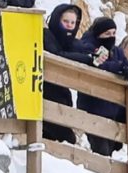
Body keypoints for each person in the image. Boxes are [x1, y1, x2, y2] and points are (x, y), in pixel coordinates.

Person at [77, 31, 128, 158]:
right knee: (102, 152)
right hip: (95, 111)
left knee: (108, 152)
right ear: (123, 48)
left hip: (113, 117)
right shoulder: (110, 57)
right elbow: (100, 65)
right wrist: (122, 68)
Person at [42, 4, 94, 144]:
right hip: (45, 93)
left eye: (73, 22)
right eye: (66, 22)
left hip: (61, 96)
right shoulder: (46, 35)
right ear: (56, 20)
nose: (70, 26)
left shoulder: (70, 42)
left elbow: (83, 48)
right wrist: (88, 59)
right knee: (66, 138)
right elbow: (57, 55)